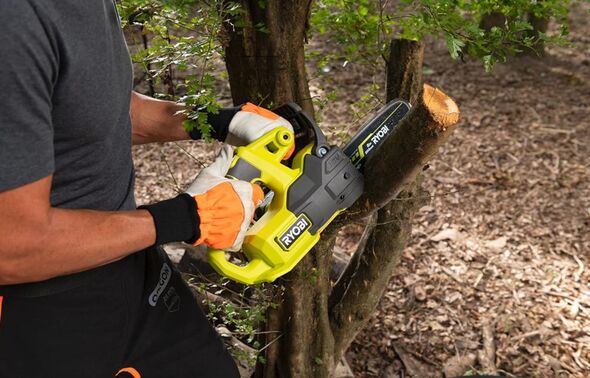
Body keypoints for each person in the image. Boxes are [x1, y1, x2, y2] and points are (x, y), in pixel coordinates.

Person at [0, 1, 293, 377]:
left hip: (131, 268)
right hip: (40, 311)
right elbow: (14, 248)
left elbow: (97, 108)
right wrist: (187, 216)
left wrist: (221, 121)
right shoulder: (14, 23)